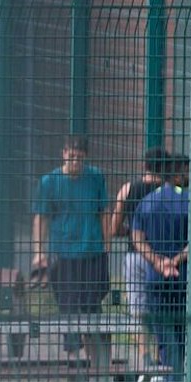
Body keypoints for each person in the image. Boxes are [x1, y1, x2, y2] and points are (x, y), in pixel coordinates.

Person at [31, 140, 111, 331]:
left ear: (85, 157)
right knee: (68, 306)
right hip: (63, 252)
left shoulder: (96, 177)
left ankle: (93, 352)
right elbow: (41, 217)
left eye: (80, 158)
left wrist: (107, 244)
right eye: (72, 156)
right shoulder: (49, 182)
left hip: (92, 250)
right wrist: (39, 251)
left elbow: (104, 212)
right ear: (64, 153)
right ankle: (73, 353)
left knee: (92, 305)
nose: (75, 162)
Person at [130, 153, 191, 382]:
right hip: (182, 275)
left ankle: (171, 378)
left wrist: (157, 261)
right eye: (185, 171)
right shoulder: (189, 201)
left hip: (155, 276)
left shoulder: (147, 201)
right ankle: (179, 377)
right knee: (181, 328)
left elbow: (137, 238)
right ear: (177, 174)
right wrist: (175, 260)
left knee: (163, 329)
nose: (188, 176)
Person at [107, 152, 166, 374]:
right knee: (162, 306)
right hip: (162, 257)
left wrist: (131, 232)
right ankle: (164, 354)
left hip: (134, 255)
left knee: (137, 308)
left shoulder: (129, 189)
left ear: (145, 166)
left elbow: (113, 229)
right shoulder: (170, 192)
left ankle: (144, 355)